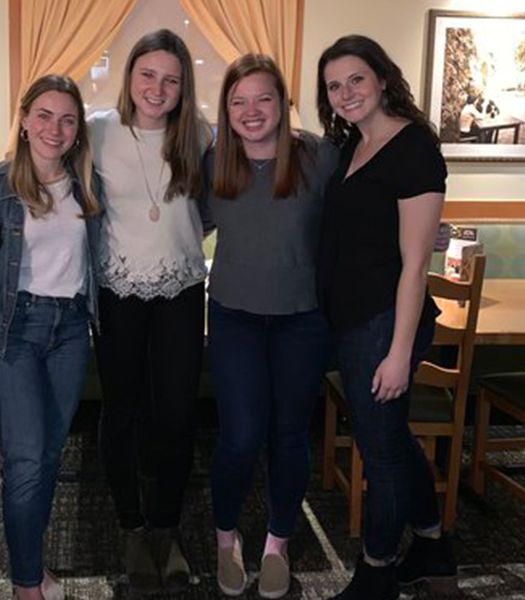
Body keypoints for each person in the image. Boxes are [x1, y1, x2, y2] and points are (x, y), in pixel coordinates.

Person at [316, 35, 456, 600]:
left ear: (381, 77)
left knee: (379, 454)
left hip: (384, 323)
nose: (346, 92)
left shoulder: (413, 146)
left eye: (356, 78)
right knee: (391, 440)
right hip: (354, 322)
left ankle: (377, 571)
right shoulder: (352, 143)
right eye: (334, 85)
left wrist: (398, 353)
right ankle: (431, 545)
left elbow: (415, 266)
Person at [201, 54, 335, 599]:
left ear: (283, 103)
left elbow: (362, 214)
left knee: (289, 435)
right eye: (239, 101)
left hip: (303, 319)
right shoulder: (213, 162)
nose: (251, 111)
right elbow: (180, 223)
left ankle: (277, 543)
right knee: (240, 434)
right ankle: (226, 537)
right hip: (234, 316)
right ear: (226, 109)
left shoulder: (319, 156)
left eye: (263, 98)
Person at [87, 29, 212, 595]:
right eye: (147, 75)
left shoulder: (200, 136)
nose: (157, 89)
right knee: (122, 413)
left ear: (184, 87)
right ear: (129, 75)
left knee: (177, 417)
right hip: (118, 291)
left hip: (182, 292)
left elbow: (218, 204)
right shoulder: (97, 131)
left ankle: (166, 527)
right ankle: (131, 527)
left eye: (171, 79)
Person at [0, 75, 101, 600]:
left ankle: (33, 563)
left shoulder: (88, 186)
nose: (56, 128)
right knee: (26, 458)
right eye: (45, 116)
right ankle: (25, 584)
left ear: (78, 130)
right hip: (16, 331)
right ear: (24, 120)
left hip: (71, 330)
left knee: (49, 455)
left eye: (68, 119)